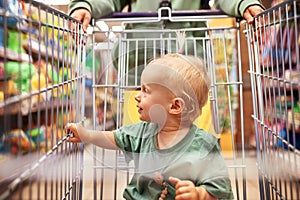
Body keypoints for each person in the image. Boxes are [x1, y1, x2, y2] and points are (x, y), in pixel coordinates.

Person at [65, 53, 234, 199]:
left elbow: (220, 190)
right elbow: (114, 138)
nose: (138, 96)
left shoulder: (204, 145)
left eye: (146, 90)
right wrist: (87, 135)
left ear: (175, 106)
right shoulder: (143, 132)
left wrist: (199, 194)